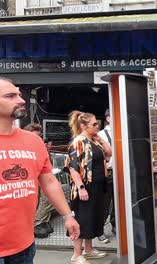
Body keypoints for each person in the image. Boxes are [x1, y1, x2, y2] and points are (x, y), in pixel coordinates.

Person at [0, 78, 80, 263]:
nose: (21, 100)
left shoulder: (34, 141)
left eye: (19, 94)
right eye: (10, 96)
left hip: (25, 245)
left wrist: (68, 216)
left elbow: (50, 182)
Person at [65, 110, 112, 264]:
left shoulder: (94, 140)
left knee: (93, 218)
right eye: (93, 124)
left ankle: (89, 250)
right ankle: (76, 254)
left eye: (97, 123)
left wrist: (100, 139)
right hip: (85, 187)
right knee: (82, 219)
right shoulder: (78, 142)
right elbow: (72, 167)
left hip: (98, 185)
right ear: (83, 125)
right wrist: (81, 187)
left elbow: (109, 153)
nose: (97, 126)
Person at [23, 123, 55, 238]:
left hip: (42, 177)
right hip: (31, 178)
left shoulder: (40, 147)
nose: (37, 139)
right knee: (40, 200)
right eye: (35, 136)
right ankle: (37, 222)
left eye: (39, 136)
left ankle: (41, 221)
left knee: (47, 199)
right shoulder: (24, 147)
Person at [97, 109, 115, 243]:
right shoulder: (101, 135)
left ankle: (115, 225)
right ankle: (100, 230)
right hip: (108, 172)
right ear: (108, 118)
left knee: (119, 202)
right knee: (105, 202)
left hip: (122, 171)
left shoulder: (122, 132)